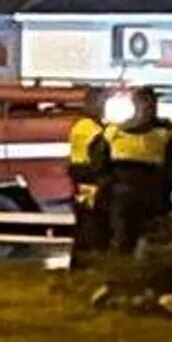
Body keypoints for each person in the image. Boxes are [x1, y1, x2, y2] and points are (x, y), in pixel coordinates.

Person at [99, 86, 172, 254]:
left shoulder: (164, 130)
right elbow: (98, 163)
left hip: (149, 194)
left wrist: (165, 185)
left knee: (147, 241)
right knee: (126, 240)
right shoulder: (113, 131)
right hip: (129, 194)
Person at [66, 97, 109, 264]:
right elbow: (100, 153)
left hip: (79, 174)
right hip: (89, 175)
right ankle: (88, 256)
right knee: (91, 219)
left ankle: (80, 257)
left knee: (83, 217)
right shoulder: (92, 128)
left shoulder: (80, 125)